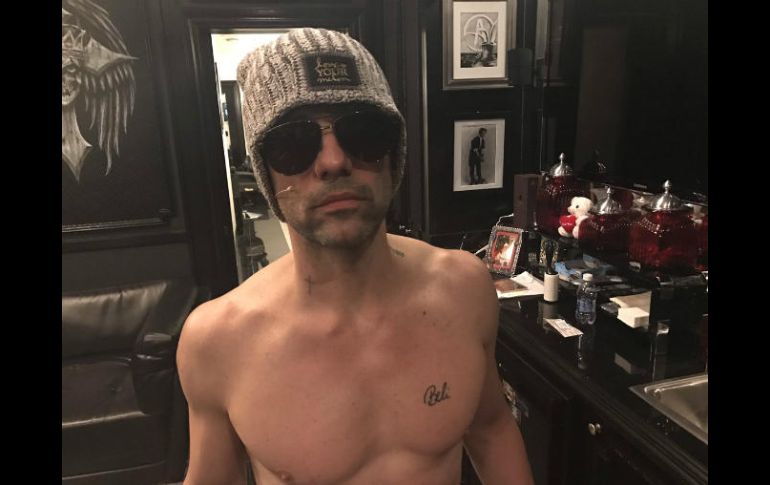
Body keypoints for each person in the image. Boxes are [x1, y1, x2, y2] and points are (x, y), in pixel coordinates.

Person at [177, 28, 533, 485]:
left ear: (393, 155)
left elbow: (491, 429)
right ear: (266, 171)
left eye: (363, 132)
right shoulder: (217, 341)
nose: (333, 161)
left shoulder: (464, 288)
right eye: (293, 142)